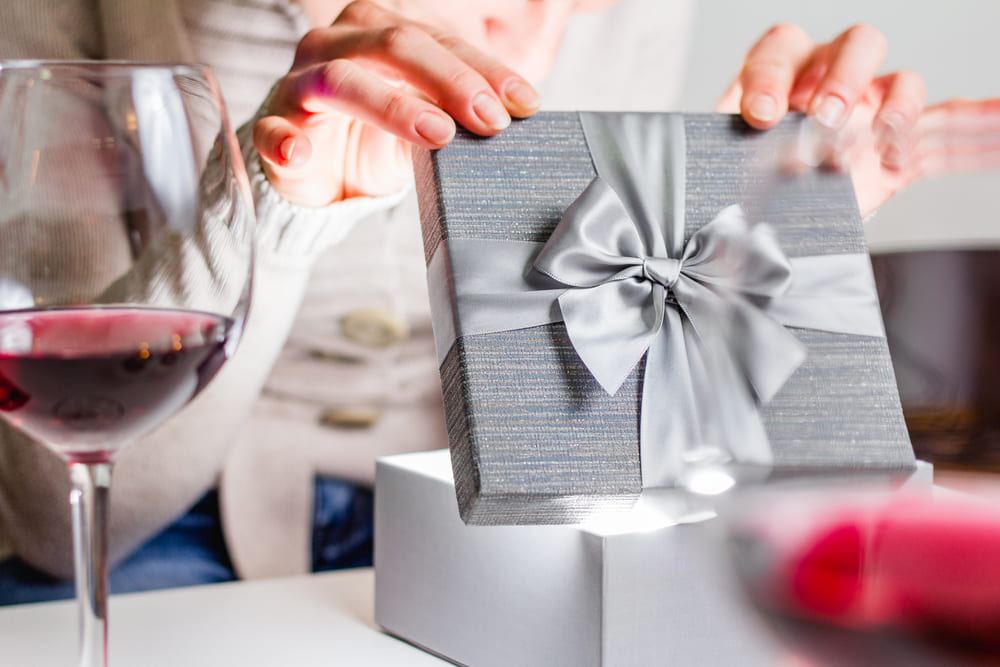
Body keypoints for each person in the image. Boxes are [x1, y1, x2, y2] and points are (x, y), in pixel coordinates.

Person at [0, 0, 966, 601]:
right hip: (184, 523)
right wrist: (271, 207)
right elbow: (56, 511)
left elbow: (597, 355)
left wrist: (755, 206)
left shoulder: (631, 13)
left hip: (508, 533)